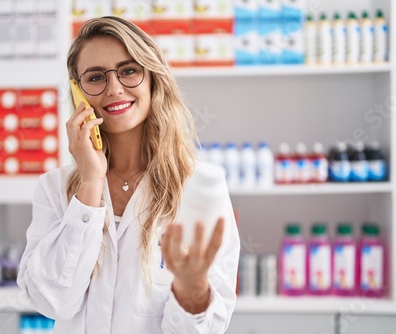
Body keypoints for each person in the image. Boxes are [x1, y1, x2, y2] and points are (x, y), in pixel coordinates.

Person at [17, 16, 240, 334]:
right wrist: (91, 183)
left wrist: (193, 291)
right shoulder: (54, 189)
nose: (115, 88)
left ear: (152, 78)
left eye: (129, 70)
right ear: (78, 92)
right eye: (96, 77)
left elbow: (203, 329)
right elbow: (51, 302)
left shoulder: (201, 187)